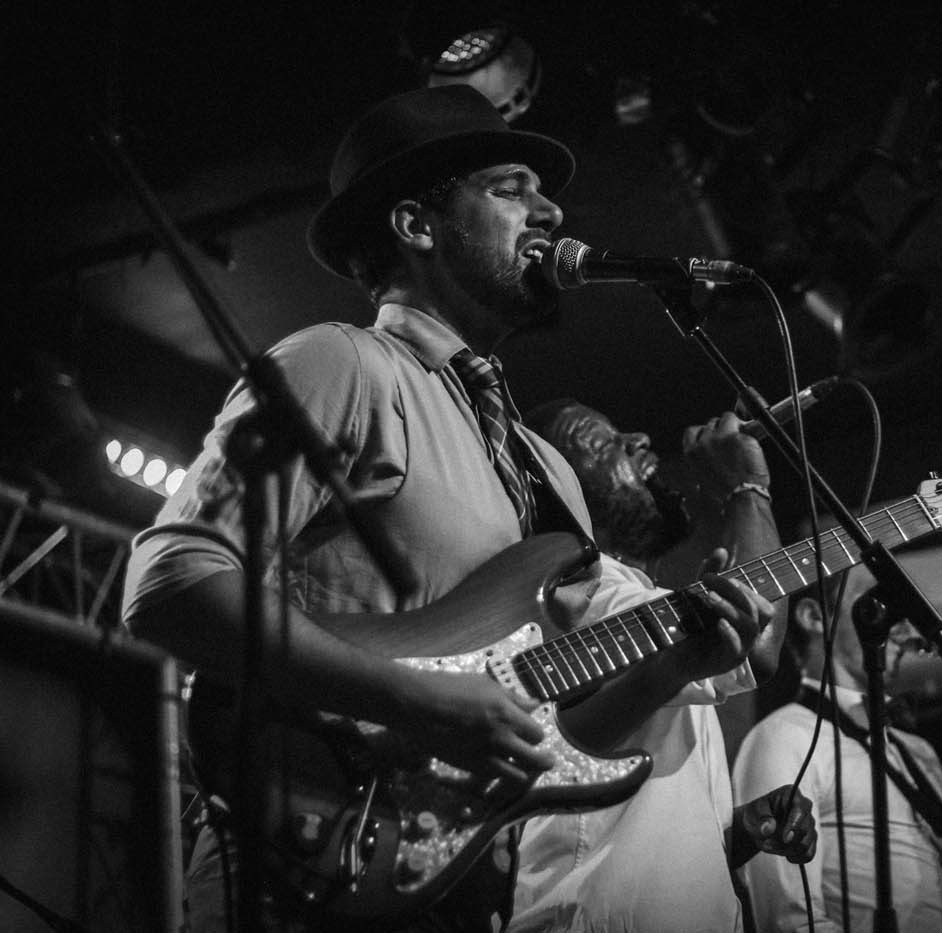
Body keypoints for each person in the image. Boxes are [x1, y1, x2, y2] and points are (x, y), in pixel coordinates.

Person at [120, 84, 773, 931]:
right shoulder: (342, 365)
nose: (550, 210)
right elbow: (169, 581)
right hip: (303, 865)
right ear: (416, 225)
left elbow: (558, 733)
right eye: (510, 189)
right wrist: (416, 700)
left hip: (460, 889)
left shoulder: (545, 469)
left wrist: (673, 665)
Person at [511, 399, 816, 932]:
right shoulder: (582, 594)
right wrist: (748, 486)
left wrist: (737, 832)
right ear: (560, 495)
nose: (638, 439)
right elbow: (758, 642)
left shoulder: (639, 600)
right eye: (605, 444)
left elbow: (632, 833)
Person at [732, 563, 942, 933]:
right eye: (878, 602)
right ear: (814, 617)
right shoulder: (783, 736)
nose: (905, 627)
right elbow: (790, 922)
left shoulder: (918, 750)